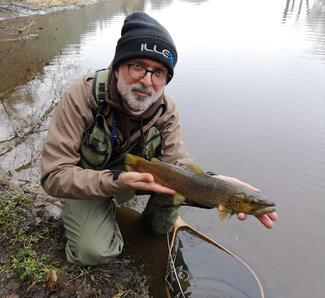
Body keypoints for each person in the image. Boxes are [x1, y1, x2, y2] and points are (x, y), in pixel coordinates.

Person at [41, 12, 277, 266]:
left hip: (137, 174)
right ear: (118, 66)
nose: (147, 81)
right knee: (94, 252)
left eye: (159, 73)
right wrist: (117, 182)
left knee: (161, 227)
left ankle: (148, 226)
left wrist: (216, 184)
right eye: (138, 66)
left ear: (166, 79)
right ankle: (95, 215)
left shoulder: (166, 111)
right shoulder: (82, 98)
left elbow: (179, 164)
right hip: (86, 179)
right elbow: (53, 176)